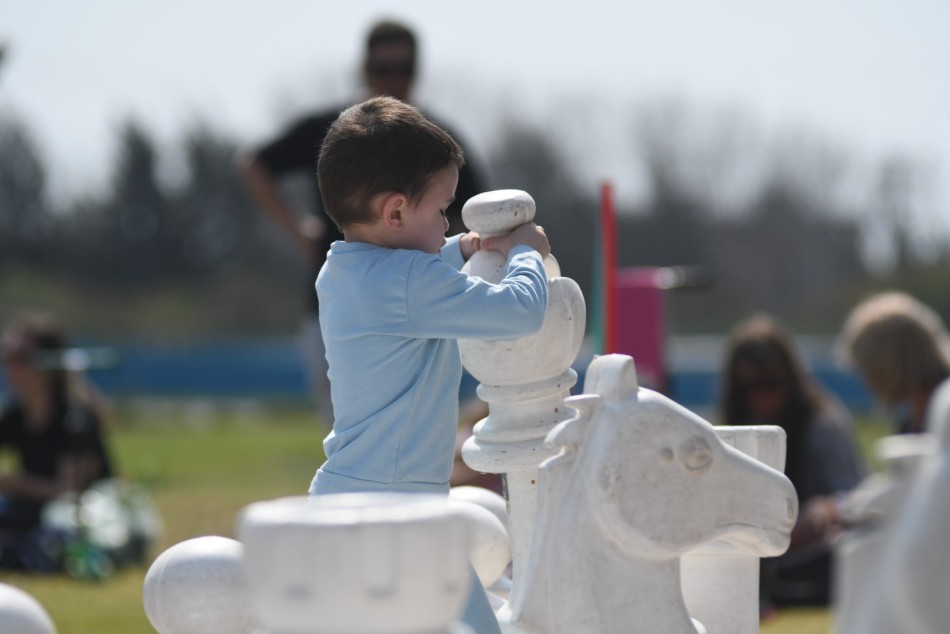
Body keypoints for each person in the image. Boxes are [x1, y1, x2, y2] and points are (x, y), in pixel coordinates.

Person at [309, 96, 548, 633]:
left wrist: (462, 248)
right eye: (441, 210)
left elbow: (407, 273)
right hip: (396, 518)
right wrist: (525, 252)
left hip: (347, 501)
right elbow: (520, 312)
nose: (445, 224)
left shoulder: (343, 271)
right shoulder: (410, 284)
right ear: (395, 212)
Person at [239, 20, 486, 424]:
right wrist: (297, 231)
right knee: (347, 424)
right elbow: (255, 164)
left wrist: (465, 251)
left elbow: (474, 208)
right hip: (341, 299)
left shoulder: (434, 141)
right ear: (364, 68)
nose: (394, 78)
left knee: (415, 424)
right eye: (383, 68)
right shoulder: (338, 130)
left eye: (404, 68)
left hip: (416, 297)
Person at [719, 314, 864, 609]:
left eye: (769, 383)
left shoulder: (822, 425)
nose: (760, 397)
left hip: (812, 557)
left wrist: (823, 510)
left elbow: (855, 500)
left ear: (790, 379)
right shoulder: (739, 430)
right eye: (747, 388)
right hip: (759, 558)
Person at [0, 312, 114, 569]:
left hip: (78, 518)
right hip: (31, 510)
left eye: (22, 358)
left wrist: (12, 482)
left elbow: (67, 491)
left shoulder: (74, 417)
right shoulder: (14, 416)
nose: (12, 368)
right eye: (8, 357)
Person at [839, 291, 950, 435]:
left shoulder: (944, 408)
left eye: (868, 367)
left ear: (888, 364)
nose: (868, 382)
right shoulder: (911, 422)